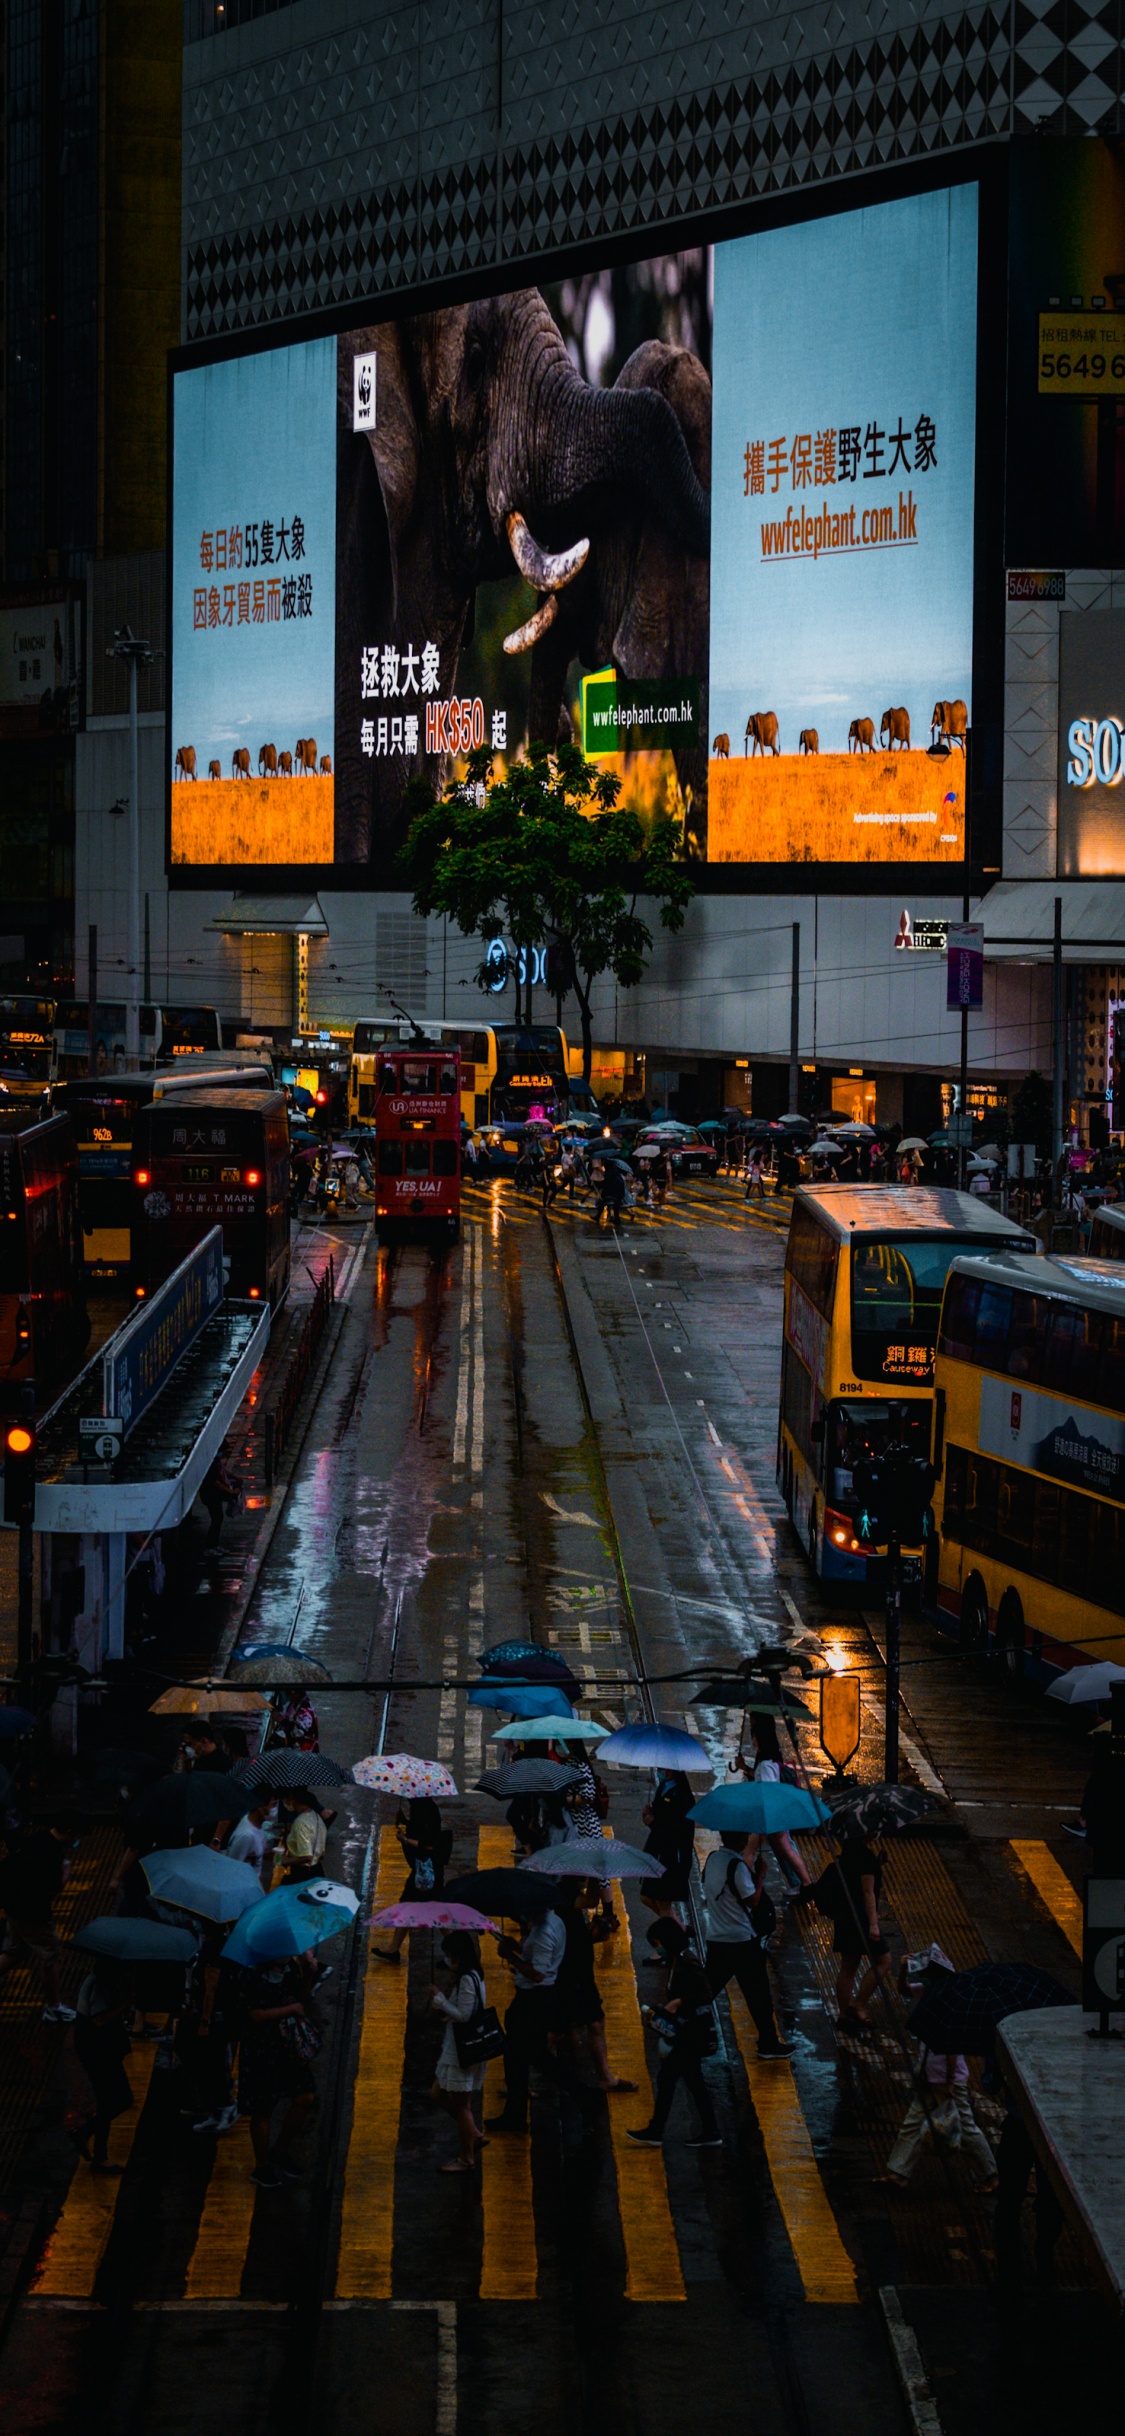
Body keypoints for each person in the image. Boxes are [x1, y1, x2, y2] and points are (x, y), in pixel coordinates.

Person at [880, 1947, 997, 2193]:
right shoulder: (928, 1993)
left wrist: (951, 2082)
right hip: (928, 2074)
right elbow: (903, 1990)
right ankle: (898, 2172)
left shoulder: (948, 2000)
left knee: (964, 2126)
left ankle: (990, 2174)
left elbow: (952, 2047)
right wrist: (902, 1970)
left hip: (945, 2079)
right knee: (914, 2122)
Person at [485, 1903, 598, 2133]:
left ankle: (583, 2095)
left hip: (533, 2001)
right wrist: (515, 1947)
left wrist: (512, 1958)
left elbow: (538, 1973)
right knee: (517, 2057)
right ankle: (514, 2115)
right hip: (534, 2000)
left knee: (533, 2057)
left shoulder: (545, 1931)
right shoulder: (550, 1923)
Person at [627, 1917, 721, 2149]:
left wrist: (679, 2001)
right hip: (686, 2032)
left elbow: (705, 1994)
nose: (657, 1948)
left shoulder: (688, 1961)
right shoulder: (678, 1959)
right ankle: (708, 2131)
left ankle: (657, 2131)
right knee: (690, 2081)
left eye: (657, 1943)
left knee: (669, 2078)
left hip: (691, 2033)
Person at [701, 1832, 795, 2059]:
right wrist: (760, 1876)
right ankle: (768, 2044)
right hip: (742, 1941)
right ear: (742, 1839)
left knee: (705, 1990)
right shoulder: (738, 1866)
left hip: (717, 1937)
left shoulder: (713, 1859)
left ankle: (676, 2018)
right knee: (759, 1996)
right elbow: (752, 1899)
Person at [238, 1956, 318, 2188]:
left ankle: (280, 2149)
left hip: (288, 2046)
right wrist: (290, 2009)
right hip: (261, 2049)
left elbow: (300, 1999)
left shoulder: (290, 1968)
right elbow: (255, 2015)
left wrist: (309, 1975)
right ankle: (261, 2166)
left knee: (305, 2097)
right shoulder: (250, 1973)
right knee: (263, 2109)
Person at [0, 1811, 82, 2022]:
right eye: (76, 1836)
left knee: (15, 1951)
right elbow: (54, 1888)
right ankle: (53, 2007)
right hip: (32, 1911)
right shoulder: (51, 1852)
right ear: (70, 1832)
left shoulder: (37, 1838)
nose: (76, 1841)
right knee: (51, 1953)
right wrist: (66, 1871)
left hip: (13, 1903)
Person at [554, 1885, 636, 2093]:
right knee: (561, 2029)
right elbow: (589, 1900)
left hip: (579, 1970)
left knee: (593, 2022)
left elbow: (587, 1903)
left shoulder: (560, 1895)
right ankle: (520, 2080)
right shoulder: (558, 1895)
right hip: (568, 1971)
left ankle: (603, 2077)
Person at [816, 1826, 893, 2029]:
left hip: (845, 1917)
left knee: (848, 1966)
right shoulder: (865, 1858)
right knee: (884, 1961)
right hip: (862, 1920)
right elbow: (868, 1893)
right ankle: (858, 2004)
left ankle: (844, 2014)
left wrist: (878, 1864)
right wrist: (874, 1925)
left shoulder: (847, 1853)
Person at [428, 1929, 490, 2172]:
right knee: (437, 2093)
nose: (448, 1960)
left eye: (451, 1956)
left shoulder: (467, 1979)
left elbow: (464, 2015)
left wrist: (440, 1999)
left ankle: (467, 2157)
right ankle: (474, 2133)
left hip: (462, 2051)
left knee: (463, 2107)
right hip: (458, 2048)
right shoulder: (472, 1974)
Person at [72, 1959, 135, 2168]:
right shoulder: (101, 1984)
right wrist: (125, 2003)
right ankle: (87, 2136)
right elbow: (99, 2019)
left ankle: (98, 2153)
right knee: (120, 2099)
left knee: (108, 2100)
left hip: (94, 2047)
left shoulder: (95, 1978)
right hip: (98, 2049)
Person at [745, 1712, 812, 1897]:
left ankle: (745, 1888)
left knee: (757, 1850)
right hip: (772, 1817)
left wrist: (774, 1820)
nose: (753, 1740)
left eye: (755, 1736)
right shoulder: (769, 1760)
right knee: (785, 1850)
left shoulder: (766, 1765)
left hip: (771, 1818)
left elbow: (770, 1792)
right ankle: (804, 1884)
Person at [372, 1797, 448, 1960]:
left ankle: (459, 1951)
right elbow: (421, 1829)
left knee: (426, 1906)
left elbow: (429, 1843)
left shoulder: (425, 1809)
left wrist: (404, 1839)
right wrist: (405, 1821)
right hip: (426, 1868)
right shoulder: (421, 1807)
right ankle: (393, 1949)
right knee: (412, 1904)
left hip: (428, 1870)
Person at [640, 1771, 695, 1921]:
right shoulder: (664, 1786)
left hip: (672, 1857)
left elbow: (677, 1829)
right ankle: (679, 1930)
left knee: (663, 1903)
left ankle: (672, 1938)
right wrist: (649, 1814)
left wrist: (653, 1822)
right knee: (646, 1897)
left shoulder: (683, 1795)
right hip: (657, 1851)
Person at [227, 1797, 276, 1888]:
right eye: (272, 1805)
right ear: (260, 1807)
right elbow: (233, 1869)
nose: (273, 1810)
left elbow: (254, 1862)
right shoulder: (246, 1836)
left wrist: (265, 1855)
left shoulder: (255, 1824)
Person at [280, 1791, 328, 1883]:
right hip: (317, 1870)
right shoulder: (316, 1817)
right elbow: (322, 1854)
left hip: (303, 1874)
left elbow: (306, 1857)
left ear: (298, 1802)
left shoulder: (300, 1822)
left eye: (292, 1799)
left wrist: (286, 1860)